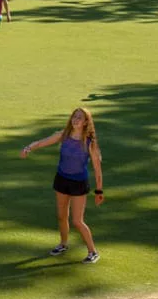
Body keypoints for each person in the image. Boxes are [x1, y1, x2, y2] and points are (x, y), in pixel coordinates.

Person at [20, 107, 105, 264]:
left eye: (80, 117)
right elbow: (42, 142)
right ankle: (63, 244)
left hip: (78, 184)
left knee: (77, 221)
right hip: (62, 180)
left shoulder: (89, 143)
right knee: (61, 216)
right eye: (74, 116)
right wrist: (28, 148)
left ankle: (93, 251)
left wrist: (99, 191)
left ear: (86, 122)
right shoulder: (63, 135)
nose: (76, 119)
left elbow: (98, 170)